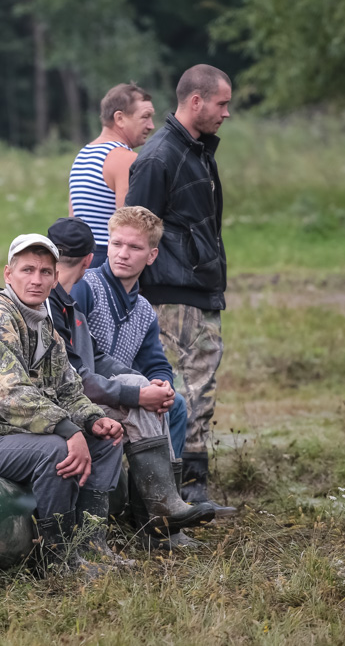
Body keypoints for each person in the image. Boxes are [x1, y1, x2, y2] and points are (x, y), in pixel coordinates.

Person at [0, 234, 126, 575]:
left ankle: (92, 544)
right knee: (57, 449)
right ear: (8, 274)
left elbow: (68, 389)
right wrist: (68, 430)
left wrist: (93, 420)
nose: (36, 279)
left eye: (45, 272)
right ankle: (57, 560)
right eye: (27, 270)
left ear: (55, 277)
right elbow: (10, 394)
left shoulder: (42, 325)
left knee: (106, 439)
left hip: (12, 434)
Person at [47, 216, 217, 549]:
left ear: (152, 255)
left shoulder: (141, 309)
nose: (123, 254)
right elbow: (79, 375)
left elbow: (152, 360)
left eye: (134, 247)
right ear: (97, 253)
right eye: (116, 245)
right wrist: (138, 392)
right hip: (86, 393)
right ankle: (157, 517)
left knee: (174, 403)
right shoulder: (82, 289)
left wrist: (158, 386)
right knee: (144, 400)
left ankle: (160, 515)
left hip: (99, 386)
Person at [124, 64, 232, 509]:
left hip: (199, 288)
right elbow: (134, 230)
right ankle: (171, 494)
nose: (227, 113)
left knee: (200, 386)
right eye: (222, 103)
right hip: (170, 294)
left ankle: (193, 487)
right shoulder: (159, 156)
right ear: (195, 101)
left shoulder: (198, 151)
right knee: (178, 390)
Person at [68, 83, 156, 268]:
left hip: (81, 259)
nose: (151, 125)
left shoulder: (83, 155)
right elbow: (129, 226)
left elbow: (73, 220)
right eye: (145, 117)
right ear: (120, 118)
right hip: (108, 259)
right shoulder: (125, 159)